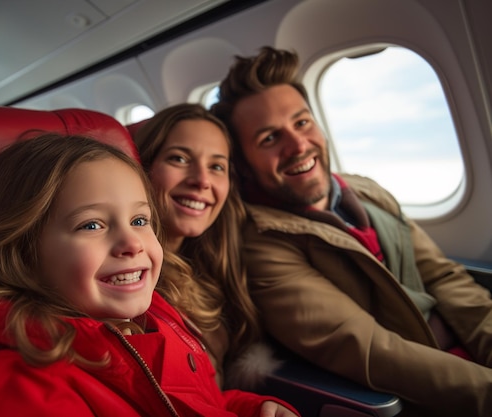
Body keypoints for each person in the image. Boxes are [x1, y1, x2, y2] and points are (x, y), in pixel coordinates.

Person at [0, 133, 299, 417]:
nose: (132, 243)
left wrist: (250, 408)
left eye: (140, 220)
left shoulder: (152, 320)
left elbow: (194, 402)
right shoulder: (4, 381)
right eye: (92, 225)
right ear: (22, 252)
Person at [210, 46, 492, 417]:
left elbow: (443, 276)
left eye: (302, 122)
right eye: (269, 139)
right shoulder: (261, 245)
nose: (298, 146)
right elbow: (373, 350)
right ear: (243, 165)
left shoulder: (367, 191)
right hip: (432, 391)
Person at [133, 103, 266, 388]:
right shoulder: (129, 288)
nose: (202, 181)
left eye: (216, 166)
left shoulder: (214, 264)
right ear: (143, 167)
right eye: (179, 159)